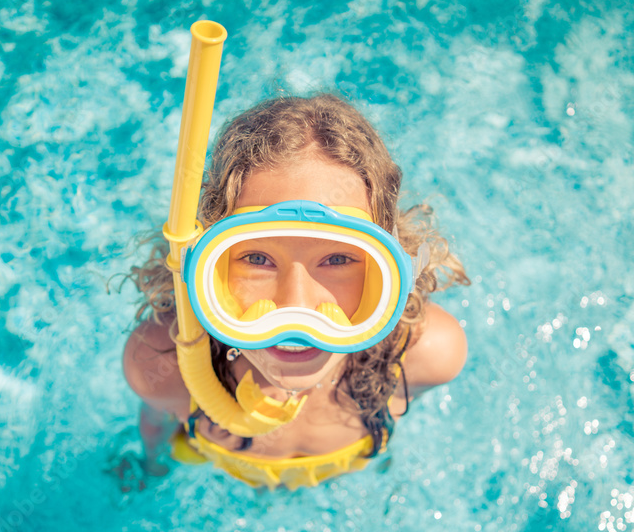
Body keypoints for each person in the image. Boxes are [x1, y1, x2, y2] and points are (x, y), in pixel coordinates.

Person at [121, 94, 469, 490]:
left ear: (392, 269)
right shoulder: (163, 366)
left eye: (338, 259)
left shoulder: (425, 356)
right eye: (256, 257)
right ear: (203, 265)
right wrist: (152, 468)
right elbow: (155, 423)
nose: (298, 306)